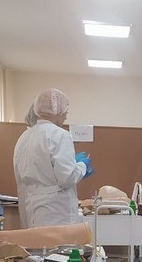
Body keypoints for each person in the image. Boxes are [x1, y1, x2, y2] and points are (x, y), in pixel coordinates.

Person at [13, 88, 91, 228]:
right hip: (57, 212)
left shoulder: (24, 137)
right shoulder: (60, 135)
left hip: (32, 208)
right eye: (65, 111)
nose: (66, 117)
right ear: (56, 111)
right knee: (57, 242)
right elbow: (67, 178)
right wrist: (81, 166)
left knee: (38, 241)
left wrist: (72, 164)